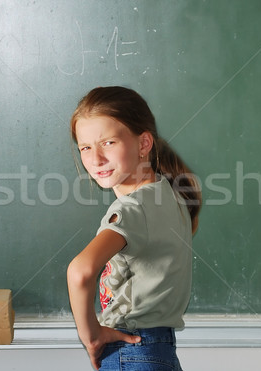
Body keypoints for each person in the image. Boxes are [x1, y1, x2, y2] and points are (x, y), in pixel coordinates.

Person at [66, 86, 201, 370]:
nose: (96, 159)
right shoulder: (170, 193)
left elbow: (80, 271)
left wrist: (90, 336)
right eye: (86, 147)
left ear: (144, 144)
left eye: (109, 143)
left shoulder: (131, 209)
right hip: (157, 351)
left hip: (131, 350)